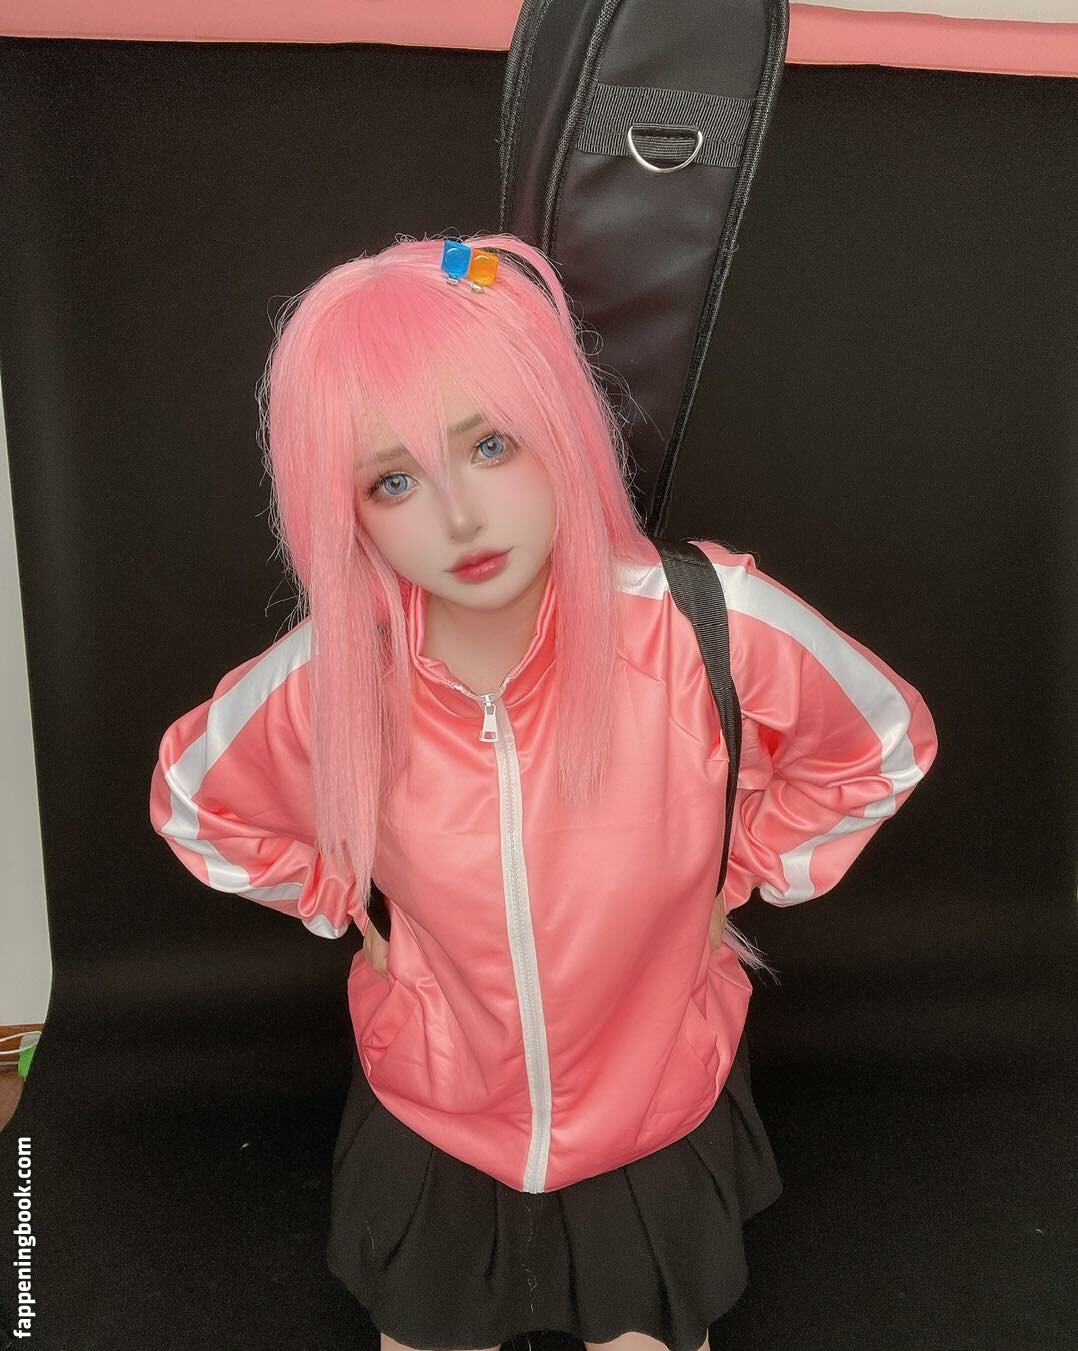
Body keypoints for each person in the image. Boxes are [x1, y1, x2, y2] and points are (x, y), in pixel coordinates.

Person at [149, 232, 939, 1351]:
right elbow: (196, 797)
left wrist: (738, 873)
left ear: (558, 426)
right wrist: (347, 905)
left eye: (490, 445)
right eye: (393, 480)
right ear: (347, 511)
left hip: (652, 1099)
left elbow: (880, 743)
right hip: (438, 1112)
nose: (460, 518)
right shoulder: (335, 671)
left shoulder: (703, 622)